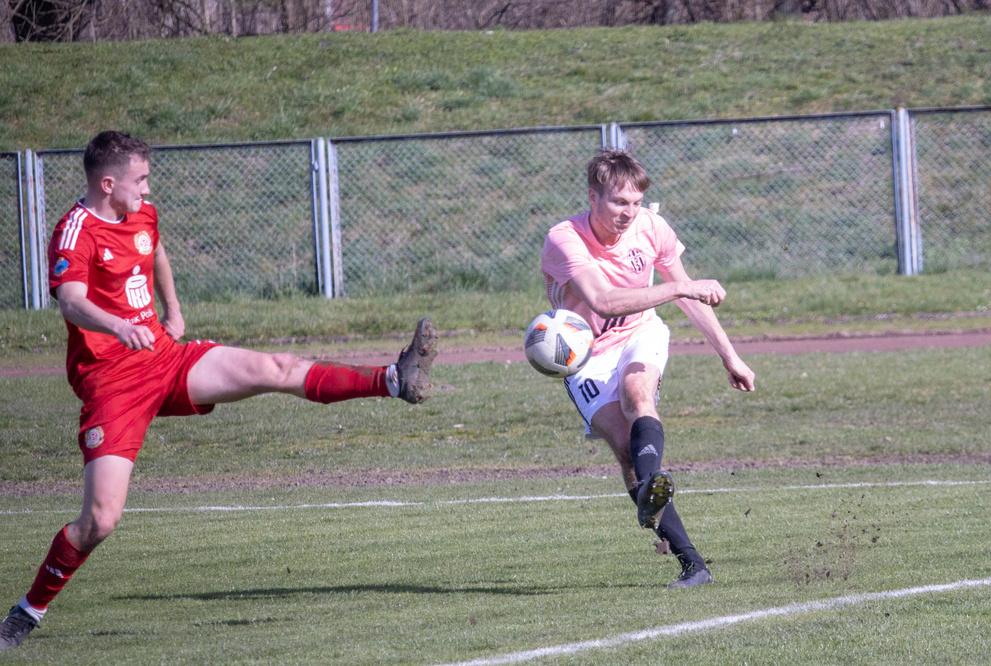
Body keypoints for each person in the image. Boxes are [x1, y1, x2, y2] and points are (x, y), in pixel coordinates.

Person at [0, 130, 439, 651]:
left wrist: (173, 309)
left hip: (165, 359)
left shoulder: (142, 213)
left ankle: (393, 378)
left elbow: (155, 252)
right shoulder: (74, 231)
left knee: (276, 367)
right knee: (100, 520)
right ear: (108, 183)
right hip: (112, 385)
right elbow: (71, 301)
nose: (147, 188)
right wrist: (118, 326)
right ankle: (28, 611)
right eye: (140, 179)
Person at [540, 149, 756, 588]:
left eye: (636, 203)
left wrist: (729, 354)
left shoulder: (651, 228)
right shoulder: (565, 238)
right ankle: (687, 555)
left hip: (639, 332)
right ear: (593, 197)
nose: (629, 213)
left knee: (638, 394)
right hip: (585, 353)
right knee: (626, 450)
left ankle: (678, 536)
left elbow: (689, 299)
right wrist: (680, 288)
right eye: (619, 202)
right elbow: (604, 301)